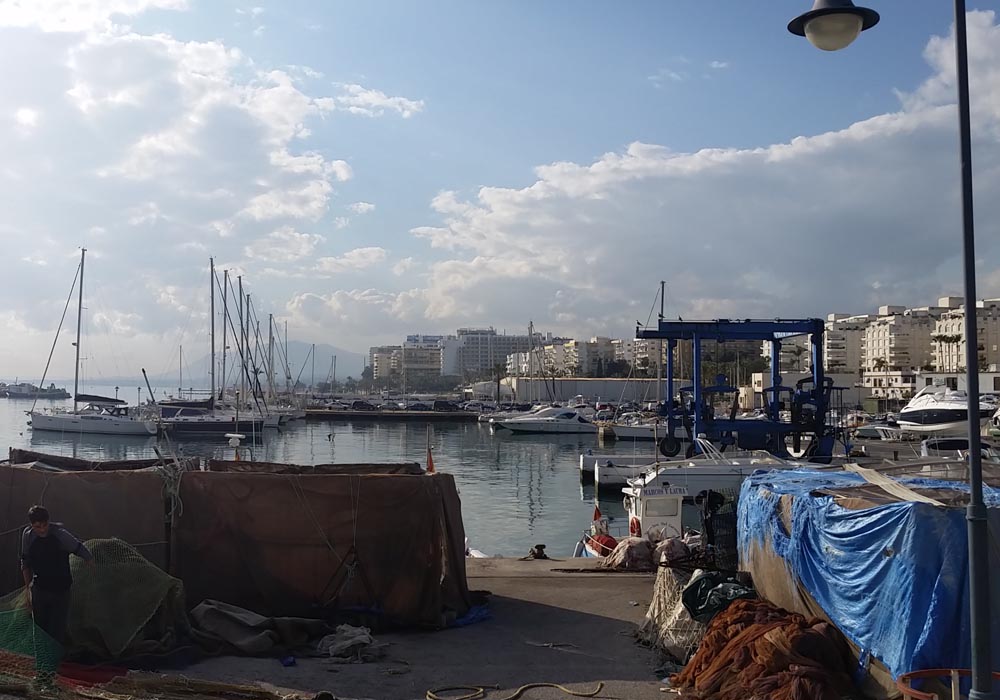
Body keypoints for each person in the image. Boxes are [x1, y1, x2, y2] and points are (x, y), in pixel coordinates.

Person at [20, 505, 94, 646]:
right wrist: (27, 589)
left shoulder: (60, 534)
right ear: (31, 525)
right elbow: (25, 562)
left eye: (44, 525)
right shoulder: (28, 536)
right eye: (37, 527)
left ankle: (54, 662)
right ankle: (41, 660)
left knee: (56, 630)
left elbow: (79, 548)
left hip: (61, 591)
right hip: (40, 589)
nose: (42, 530)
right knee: (40, 628)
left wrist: (90, 561)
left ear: (49, 521)